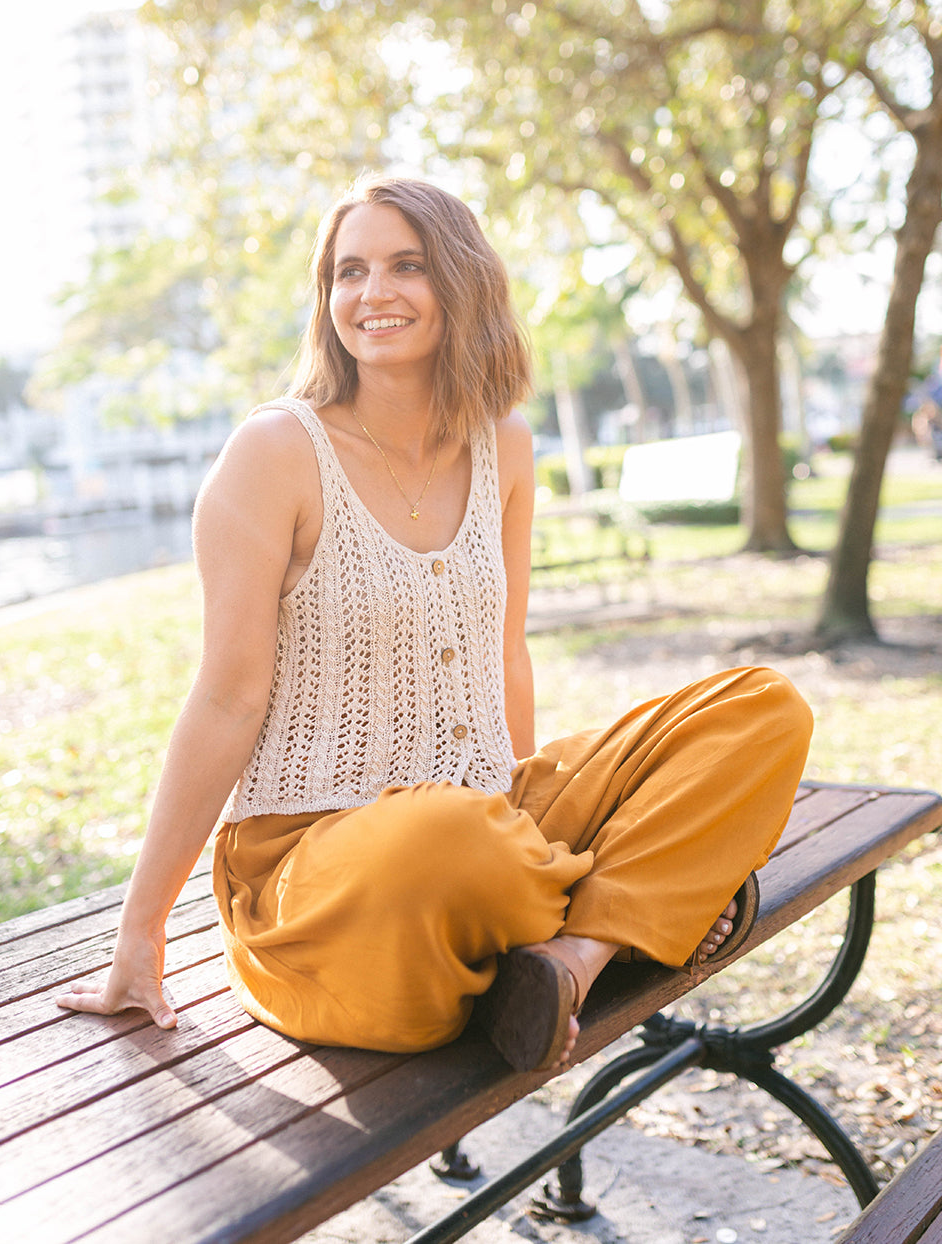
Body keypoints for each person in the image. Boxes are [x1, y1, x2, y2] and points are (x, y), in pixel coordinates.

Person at [57, 175, 813, 1072]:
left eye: (405, 265)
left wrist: (521, 829)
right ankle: (642, 901)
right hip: (319, 875)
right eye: (349, 272)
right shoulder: (275, 454)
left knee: (762, 708)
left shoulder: (508, 445)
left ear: (460, 283)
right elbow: (225, 699)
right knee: (447, 839)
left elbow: (506, 654)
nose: (372, 293)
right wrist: (139, 934)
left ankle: (573, 956)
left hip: (486, 824)